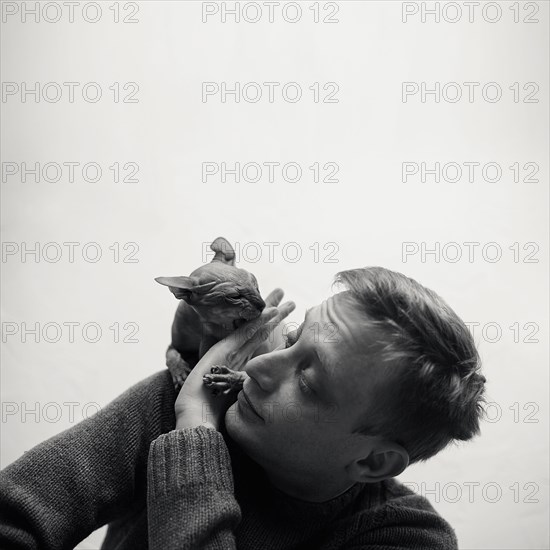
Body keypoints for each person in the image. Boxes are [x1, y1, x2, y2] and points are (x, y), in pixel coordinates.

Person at [0, 267, 486, 549]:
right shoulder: (180, 402)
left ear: (374, 461)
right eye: (293, 338)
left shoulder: (407, 538)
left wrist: (195, 441)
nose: (262, 366)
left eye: (309, 380)